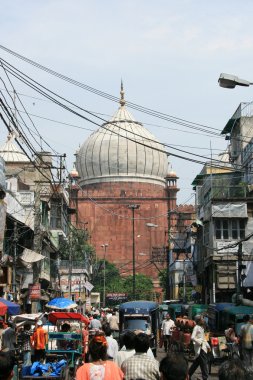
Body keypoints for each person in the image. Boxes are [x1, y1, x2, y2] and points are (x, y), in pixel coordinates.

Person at [188, 314, 210, 380]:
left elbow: (204, 339)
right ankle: (205, 378)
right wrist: (199, 342)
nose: (203, 320)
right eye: (202, 319)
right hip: (200, 348)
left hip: (203, 348)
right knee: (204, 364)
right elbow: (192, 337)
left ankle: (188, 375)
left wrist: (208, 346)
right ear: (199, 320)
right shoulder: (196, 327)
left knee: (196, 364)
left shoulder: (201, 328)